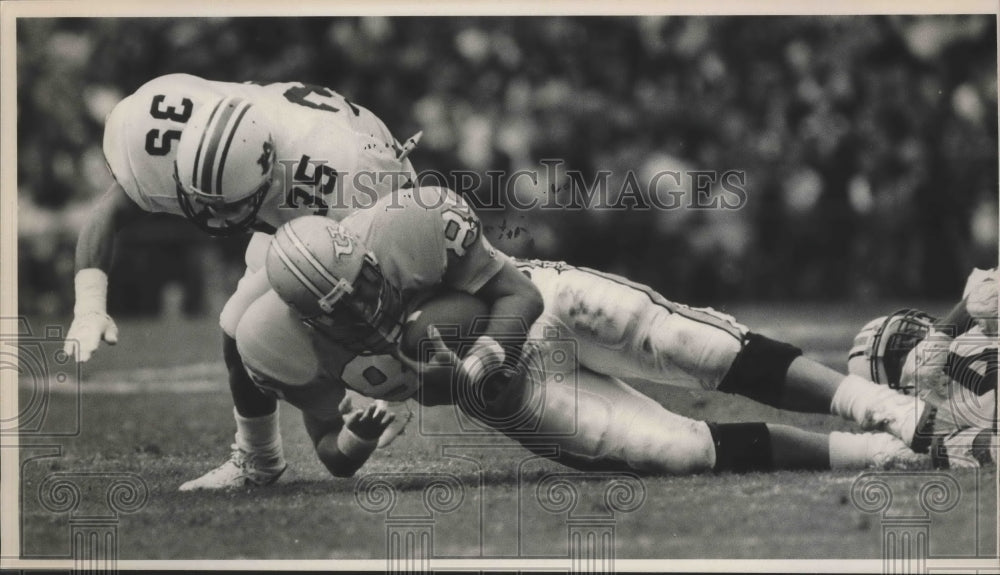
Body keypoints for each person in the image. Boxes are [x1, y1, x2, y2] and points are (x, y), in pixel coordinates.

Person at [208, 187, 949, 485]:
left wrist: (488, 349)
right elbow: (332, 456)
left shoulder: (408, 220)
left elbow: (515, 292)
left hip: (535, 310)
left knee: (698, 346)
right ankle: (874, 452)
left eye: (369, 278)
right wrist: (363, 435)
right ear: (310, 316)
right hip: (507, 394)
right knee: (676, 449)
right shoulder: (274, 343)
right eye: (347, 305)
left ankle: (882, 408)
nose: (369, 300)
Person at [60, 73, 418, 489]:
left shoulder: (334, 176)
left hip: (361, 193)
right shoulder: (181, 138)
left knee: (250, 323)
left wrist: (388, 380)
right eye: (200, 201)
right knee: (240, 324)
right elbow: (111, 211)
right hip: (297, 185)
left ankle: (269, 454)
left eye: (227, 207)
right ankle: (259, 460)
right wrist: (88, 304)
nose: (213, 219)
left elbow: (386, 268)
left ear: (264, 180)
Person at [848, 267, 997, 467]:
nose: (911, 344)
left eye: (909, 332)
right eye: (897, 359)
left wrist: (941, 335)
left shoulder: (974, 296)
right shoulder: (945, 425)